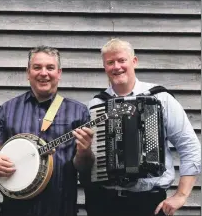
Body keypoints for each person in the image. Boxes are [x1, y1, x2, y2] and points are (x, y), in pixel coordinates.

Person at [82, 38, 201, 216]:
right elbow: (88, 162)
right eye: (110, 62)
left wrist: (181, 195)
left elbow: (189, 146)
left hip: (149, 203)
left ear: (134, 61)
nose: (117, 66)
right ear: (104, 66)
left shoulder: (160, 98)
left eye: (122, 60)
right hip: (105, 202)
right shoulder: (97, 105)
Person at [0, 45, 95, 216]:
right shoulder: (9, 109)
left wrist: (84, 151)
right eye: (37, 67)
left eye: (50, 67)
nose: (44, 73)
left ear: (59, 73)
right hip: (16, 210)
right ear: (28, 73)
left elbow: (84, 167)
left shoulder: (78, 112)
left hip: (60, 209)